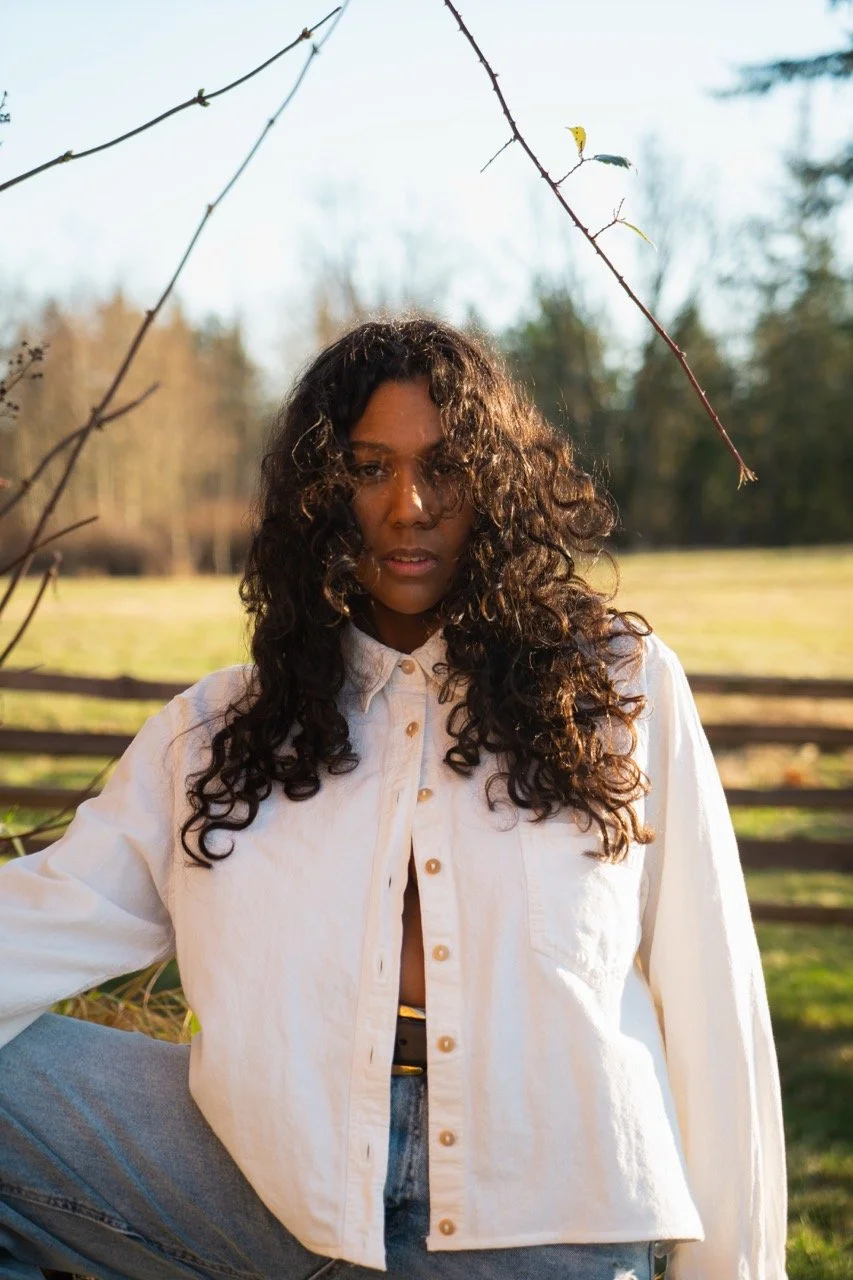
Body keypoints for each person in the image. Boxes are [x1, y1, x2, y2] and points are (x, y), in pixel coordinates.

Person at [0, 318, 787, 1280]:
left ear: (495, 487)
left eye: (445, 467)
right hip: (271, 1194)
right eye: (368, 468)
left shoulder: (615, 691)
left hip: (537, 1231)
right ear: (318, 497)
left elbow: (713, 1005)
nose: (408, 507)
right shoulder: (217, 732)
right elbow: (38, 920)